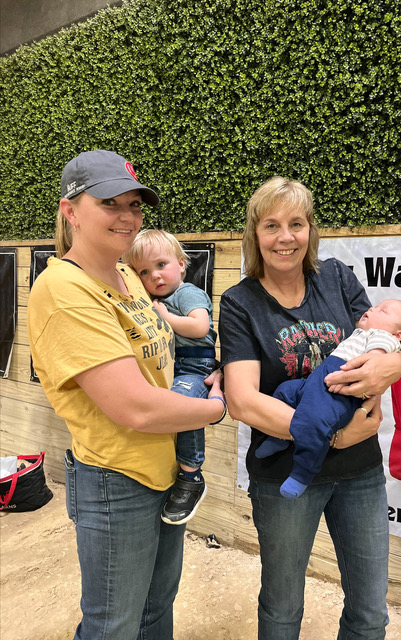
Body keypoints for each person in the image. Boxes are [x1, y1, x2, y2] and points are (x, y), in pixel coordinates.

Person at [27, 149, 226, 640]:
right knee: (113, 625)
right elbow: (134, 406)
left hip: (165, 471)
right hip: (116, 478)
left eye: (134, 205)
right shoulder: (63, 289)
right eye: (109, 203)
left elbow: (167, 363)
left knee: (156, 610)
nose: (127, 216)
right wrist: (219, 407)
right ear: (70, 211)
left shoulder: (131, 279)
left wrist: (212, 373)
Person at [219, 176, 401, 640]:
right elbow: (243, 400)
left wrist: (396, 364)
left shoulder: (337, 278)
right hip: (284, 475)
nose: (285, 237)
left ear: (310, 230)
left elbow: (384, 345)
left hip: (360, 471)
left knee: (370, 613)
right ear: (255, 234)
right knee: (282, 609)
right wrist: (331, 436)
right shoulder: (240, 302)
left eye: (296, 224)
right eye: (271, 225)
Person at [256, 299, 401, 498]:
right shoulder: (362, 333)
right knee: (285, 391)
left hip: (338, 392)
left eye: (383, 311)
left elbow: (375, 361)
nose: (372, 308)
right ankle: (278, 437)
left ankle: (302, 474)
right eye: (376, 306)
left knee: (313, 424)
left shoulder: (383, 338)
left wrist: (377, 361)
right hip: (317, 381)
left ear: (398, 335)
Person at [123, 229, 217, 525]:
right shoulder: (152, 299)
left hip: (195, 365)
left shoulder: (187, 293)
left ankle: (191, 475)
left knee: (182, 406)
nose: (154, 276)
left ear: (181, 264)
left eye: (161, 265)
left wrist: (165, 316)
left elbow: (200, 327)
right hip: (174, 366)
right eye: (144, 272)